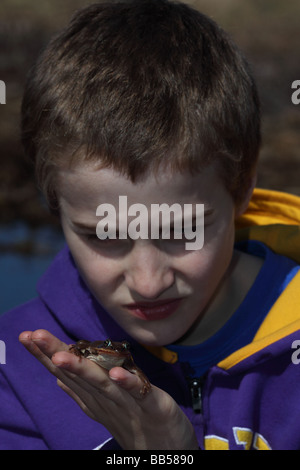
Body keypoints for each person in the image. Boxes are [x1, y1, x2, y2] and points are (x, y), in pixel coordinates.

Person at [1, 0, 300, 450]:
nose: (148, 282)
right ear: (55, 206)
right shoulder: (18, 370)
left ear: (242, 191)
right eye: (104, 235)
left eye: (182, 231)